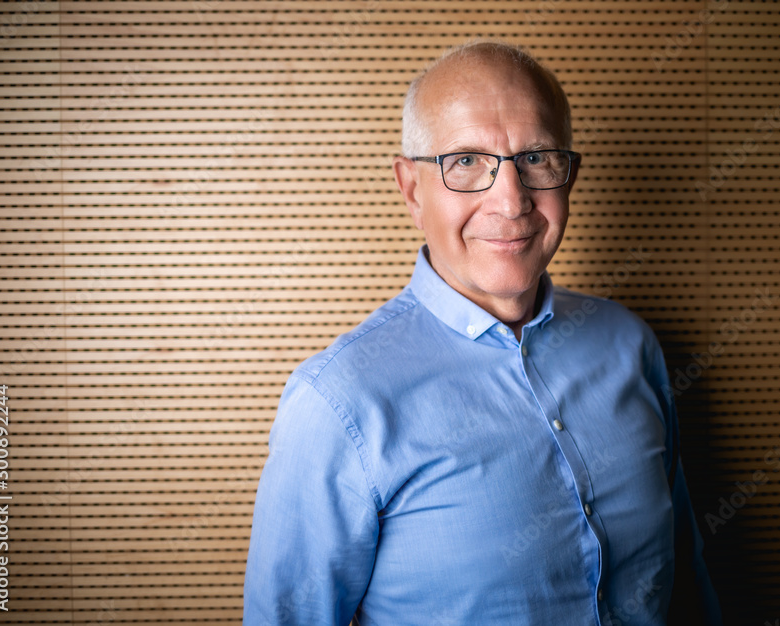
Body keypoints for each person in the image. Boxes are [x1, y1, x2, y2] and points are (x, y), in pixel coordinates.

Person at [243, 40, 722, 626]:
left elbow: (689, 584)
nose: (512, 199)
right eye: (466, 160)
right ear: (412, 189)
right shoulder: (338, 403)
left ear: (568, 176)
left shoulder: (631, 347)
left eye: (537, 157)